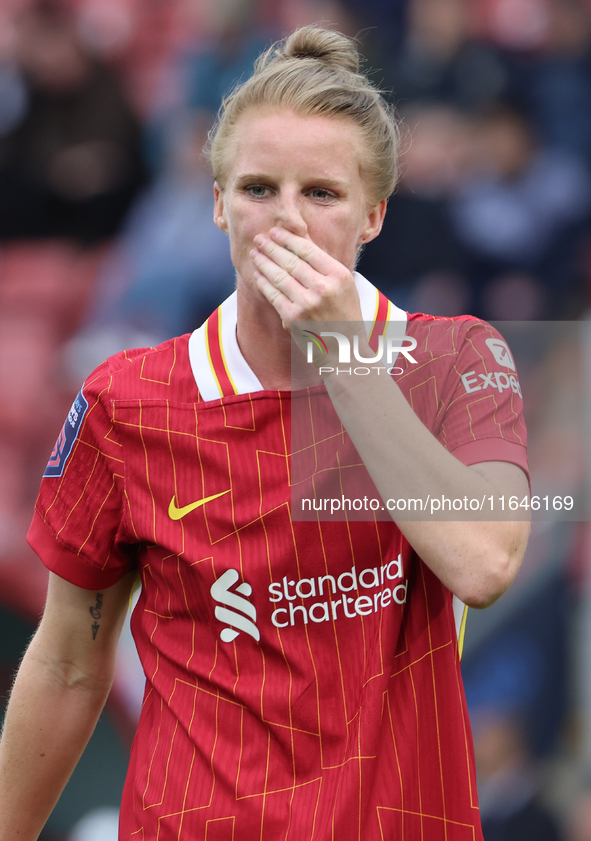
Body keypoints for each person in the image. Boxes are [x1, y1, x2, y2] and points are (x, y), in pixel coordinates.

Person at [0, 24, 530, 841]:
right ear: (216, 203)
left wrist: (339, 354)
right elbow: (70, 661)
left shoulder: (455, 359)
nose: (285, 221)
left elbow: (482, 560)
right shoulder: (127, 400)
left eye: (320, 193)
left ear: (373, 215)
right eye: (257, 189)